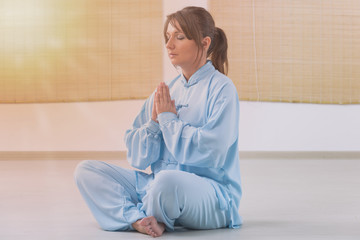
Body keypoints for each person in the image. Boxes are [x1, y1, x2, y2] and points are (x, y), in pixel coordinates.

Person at [74, 6, 242, 238]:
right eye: (167, 37)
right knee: (86, 171)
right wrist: (154, 124)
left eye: (179, 37)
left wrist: (168, 120)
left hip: (210, 196)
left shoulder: (223, 89)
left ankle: (151, 212)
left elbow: (211, 152)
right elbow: (138, 157)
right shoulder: (166, 91)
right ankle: (138, 219)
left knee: (166, 181)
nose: (169, 44)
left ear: (204, 43)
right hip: (158, 187)